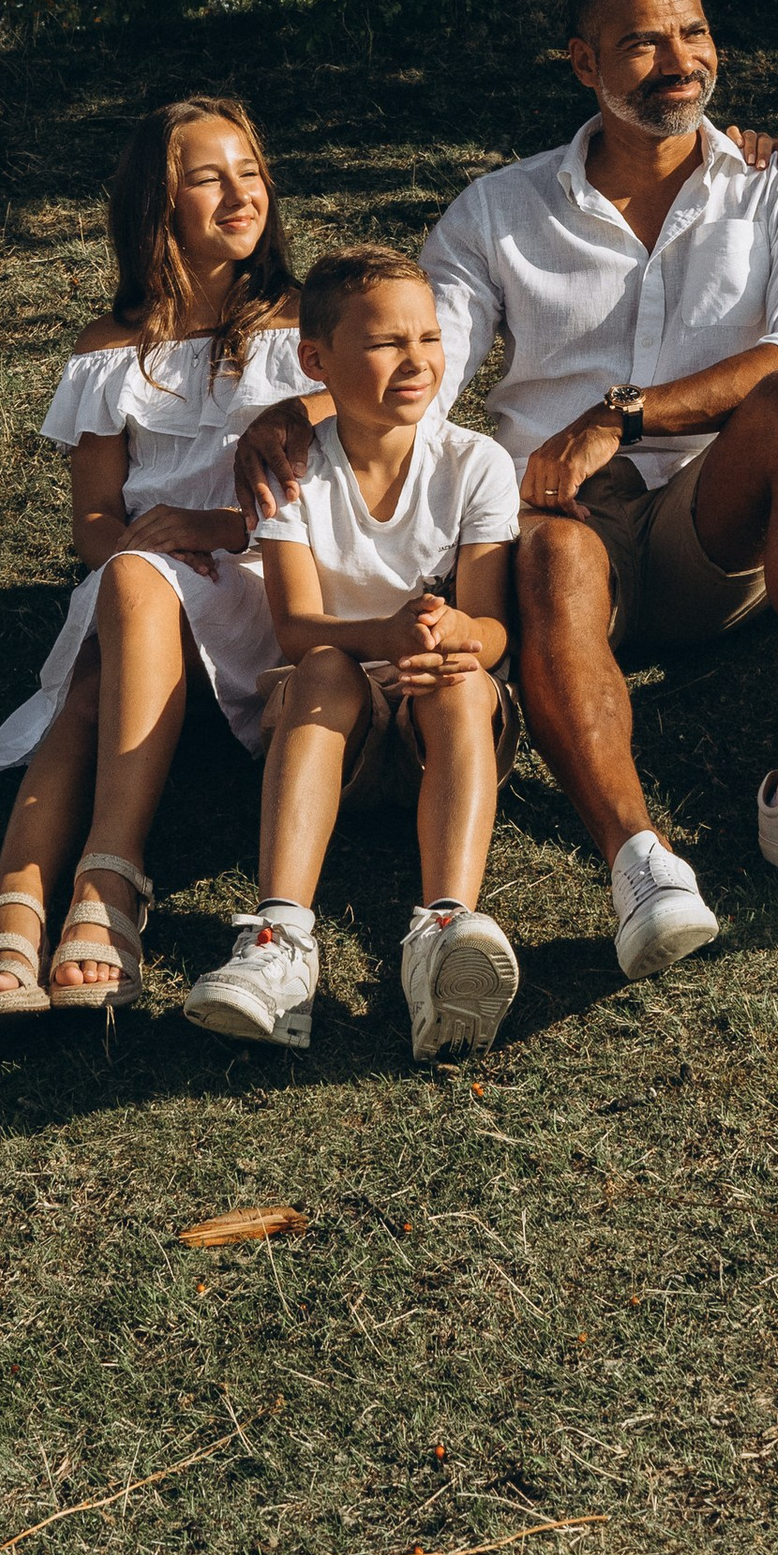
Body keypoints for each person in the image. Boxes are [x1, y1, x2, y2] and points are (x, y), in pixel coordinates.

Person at [239, 0, 778, 984]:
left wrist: (623, 416)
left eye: (692, 33)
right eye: (642, 41)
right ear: (581, 62)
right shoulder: (498, 211)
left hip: (709, 524)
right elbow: (431, 353)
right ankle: (639, 861)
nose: (677, 61)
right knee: (546, 542)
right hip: (554, 528)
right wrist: (299, 409)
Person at [0, 98, 312, 1032]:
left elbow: (340, 497)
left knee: (102, 655)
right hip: (142, 579)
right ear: (158, 204)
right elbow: (96, 522)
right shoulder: (109, 350)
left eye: (251, 171)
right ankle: (51, 907)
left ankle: (76, 889)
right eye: (209, 178)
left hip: (267, 575)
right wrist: (145, 550)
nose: (242, 194)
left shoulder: (307, 327)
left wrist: (211, 525)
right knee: (115, 611)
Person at [185, 249, 522, 1060]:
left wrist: (450, 636)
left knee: (460, 675)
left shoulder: (476, 463)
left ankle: (446, 925)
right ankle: (281, 941)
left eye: (430, 337)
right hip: (336, 727)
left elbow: (497, 627)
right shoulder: (291, 473)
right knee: (325, 666)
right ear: (316, 361)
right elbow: (298, 627)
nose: (417, 362)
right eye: (384, 344)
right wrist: (387, 634)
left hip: (444, 733)